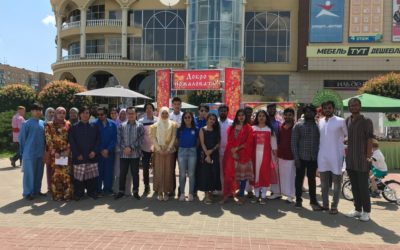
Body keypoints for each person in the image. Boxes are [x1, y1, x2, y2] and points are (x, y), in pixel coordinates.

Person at [345, 98, 374, 222]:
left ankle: (366, 211)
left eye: (356, 105)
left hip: (362, 159)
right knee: (354, 187)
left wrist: (368, 157)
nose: (353, 107)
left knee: (363, 187)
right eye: (351, 105)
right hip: (350, 159)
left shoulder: (366, 121)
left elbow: (369, 140)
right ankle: (357, 209)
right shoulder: (347, 121)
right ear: (349, 107)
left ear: (360, 106)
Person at [317, 101, 347, 214]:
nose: (327, 110)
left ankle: (334, 206)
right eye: (325, 108)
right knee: (324, 184)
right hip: (322, 156)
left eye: (329, 108)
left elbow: (347, 135)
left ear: (333, 109)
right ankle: (325, 205)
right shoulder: (319, 121)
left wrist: (340, 145)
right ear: (323, 109)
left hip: (336, 156)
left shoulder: (340, 121)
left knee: (337, 183)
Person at [291, 104, 322, 211]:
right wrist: (296, 158)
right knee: (299, 179)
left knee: (312, 180)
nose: (309, 113)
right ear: (304, 113)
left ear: (315, 113)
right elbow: (294, 142)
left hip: (313, 158)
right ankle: (298, 200)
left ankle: (313, 201)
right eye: (307, 111)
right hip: (301, 157)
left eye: (311, 111)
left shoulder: (318, 125)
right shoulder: (298, 125)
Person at [221, 109, 253, 205]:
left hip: (243, 155)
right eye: (239, 115)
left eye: (243, 115)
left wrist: (237, 149)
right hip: (230, 154)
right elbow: (230, 141)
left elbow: (248, 142)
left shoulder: (248, 128)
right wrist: (233, 151)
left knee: (242, 177)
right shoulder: (232, 127)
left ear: (245, 116)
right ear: (236, 117)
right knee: (229, 175)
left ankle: (241, 196)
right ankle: (227, 195)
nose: (241, 117)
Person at [69, 106, 100, 200]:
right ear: (80, 115)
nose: (85, 115)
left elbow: (98, 140)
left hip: (91, 156)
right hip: (79, 156)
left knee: (92, 176)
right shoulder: (74, 127)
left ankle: (92, 192)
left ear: (89, 115)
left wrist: (94, 151)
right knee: (79, 177)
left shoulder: (94, 126)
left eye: (87, 113)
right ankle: (79, 193)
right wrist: (77, 154)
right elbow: (72, 142)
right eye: (83, 113)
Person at [115, 107, 144, 200]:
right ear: (126, 114)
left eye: (132, 113)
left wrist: (131, 148)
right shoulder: (121, 126)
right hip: (123, 154)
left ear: (136, 115)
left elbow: (141, 139)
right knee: (122, 173)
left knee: (135, 173)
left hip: (135, 154)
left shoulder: (140, 126)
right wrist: (125, 148)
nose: (131, 115)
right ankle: (121, 191)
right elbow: (119, 139)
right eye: (129, 113)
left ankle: (135, 191)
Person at [44, 107, 73, 201]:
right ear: (56, 114)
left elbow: (71, 138)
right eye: (59, 113)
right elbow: (48, 140)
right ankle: (58, 195)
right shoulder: (49, 125)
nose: (61, 114)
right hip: (55, 155)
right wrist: (54, 152)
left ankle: (67, 195)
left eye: (63, 113)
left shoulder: (68, 124)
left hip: (66, 154)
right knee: (57, 175)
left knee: (66, 174)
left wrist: (68, 150)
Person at [19, 103, 46, 200]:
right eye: (36, 110)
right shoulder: (26, 123)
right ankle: (28, 193)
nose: (38, 112)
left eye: (40, 110)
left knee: (39, 173)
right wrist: (22, 153)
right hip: (29, 153)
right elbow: (22, 139)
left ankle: (36, 191)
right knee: (29, 174)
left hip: (40, 153)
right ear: (31, 111)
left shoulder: (43, 123)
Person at [151, 107, 177, 201]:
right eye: (163, 113)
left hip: (169, 151)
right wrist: (159, 149)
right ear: (160, 114)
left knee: (168, 171)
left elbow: (174, 137)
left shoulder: (173, 124)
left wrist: (168, 148)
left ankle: (166, 191)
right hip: (158, 151)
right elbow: (153, 138)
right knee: (158, 171)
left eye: (166, 113)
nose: (165, 115)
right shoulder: (154, 126)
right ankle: (159, 191)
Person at [251, 110, 277, 205]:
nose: (261, 118)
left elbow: (273, 144)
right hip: (254, 155)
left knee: (264, 174)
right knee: (256, 174)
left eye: (263, 116)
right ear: (257, 118)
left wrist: (275, 155)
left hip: (266, 155)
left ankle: (264, 196)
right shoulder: (252, 128)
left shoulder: (269, 129)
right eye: (259, 116)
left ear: (266, 118)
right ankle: (256, 195)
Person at [197, 113, 221, 204]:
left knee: (213, 173)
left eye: (214, 119)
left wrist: (212, 151)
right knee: (205, 174)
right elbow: (202, 143)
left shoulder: (216, 130)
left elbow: (218, 143)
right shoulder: (202, 129)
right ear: (207, 119)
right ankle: (206, 195)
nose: (212, 121)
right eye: (210, 119)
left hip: (214, 154)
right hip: (205, 154)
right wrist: (207, 154)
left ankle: (211, 192)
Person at [94, 107, 117, 196]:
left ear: (106, 114)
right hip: (99, 153)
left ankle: (108, 190)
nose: (100, 116)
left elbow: (114, 139)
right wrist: (101, 150)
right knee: (99, 172)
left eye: (102, 114)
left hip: (109, 153)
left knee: (109, 172)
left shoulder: (113, 124)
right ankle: (98, 190)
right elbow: (94, 139)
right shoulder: (94, 124)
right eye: (98, 115)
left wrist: (107, 150)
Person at [176, 112, 198, 202]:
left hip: (192, 152)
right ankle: (182, 193)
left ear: (192, 118)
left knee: (191, 174)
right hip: (182, 151)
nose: (187, 119)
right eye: (185, 117)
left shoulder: (196, 129)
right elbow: (177, 141)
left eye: (189, 117)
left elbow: (198, 141)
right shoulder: (179, 129)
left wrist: (194, 149)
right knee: (182, 174)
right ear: (183, 119)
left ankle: (191, 194)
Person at [277, 108, 296, 203]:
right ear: (283, 116)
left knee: (291, 176)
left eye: (290, 115)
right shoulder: (281, 126)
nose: (288, 117)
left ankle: (291, 195)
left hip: (291, 155)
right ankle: (284, 193)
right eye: (286, 115)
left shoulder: (296, 127)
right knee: (283, 175)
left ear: (293, 116)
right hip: (281, 155)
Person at [139, 103, 158, 196]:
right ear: (145, 110)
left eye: (150, 108)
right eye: (147, 108)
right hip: (144, 148)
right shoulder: (141, 121)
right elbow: (139, 134)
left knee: (156, 169)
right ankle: (147, 186)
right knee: (145, 168)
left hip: (156, 148)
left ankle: (157, 187)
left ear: (153, 110)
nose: (149, 109)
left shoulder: (158, 120)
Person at [267, 103, 282, 199]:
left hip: (274, 151)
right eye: (270, 109)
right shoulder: (264, 122)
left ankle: (276, 192)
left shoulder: (278, 124)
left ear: (275, 110)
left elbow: (280, 139)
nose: (272, 110)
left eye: (273, 109)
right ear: (267, 110)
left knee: (275, 171)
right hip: (263, 150)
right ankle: (263, 190)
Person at [169, 97, 183, 197]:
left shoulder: (185, 116)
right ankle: (172, 189)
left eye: (178, 104)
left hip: (182, 146)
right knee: (171, 169)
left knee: (182, 170)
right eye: (175, 104)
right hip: (172, 146)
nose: (177, 106)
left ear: (181, 105)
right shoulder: (169, 116)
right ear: (172, 105)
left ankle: (181, 190)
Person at [218, 105, 233, 193]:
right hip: (218, 150)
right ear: (218, 112)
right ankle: (221, 189)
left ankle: (230, 190)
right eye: (221, 111)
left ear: (227, 112)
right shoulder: (215, 122)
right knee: (219, 170)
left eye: (225, 111)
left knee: (229, 171)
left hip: (229, 151)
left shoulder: (231, 123)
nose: (223, 112)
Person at [44, 107, 55, 193]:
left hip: (56, 150)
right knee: (48, 168)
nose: (51, 114)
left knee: (56, 168)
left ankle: (55, 185)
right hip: (47, 150)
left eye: (53, 112)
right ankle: (49, 187)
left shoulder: (57, 123)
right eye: (49, 112)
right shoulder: (43, 123)